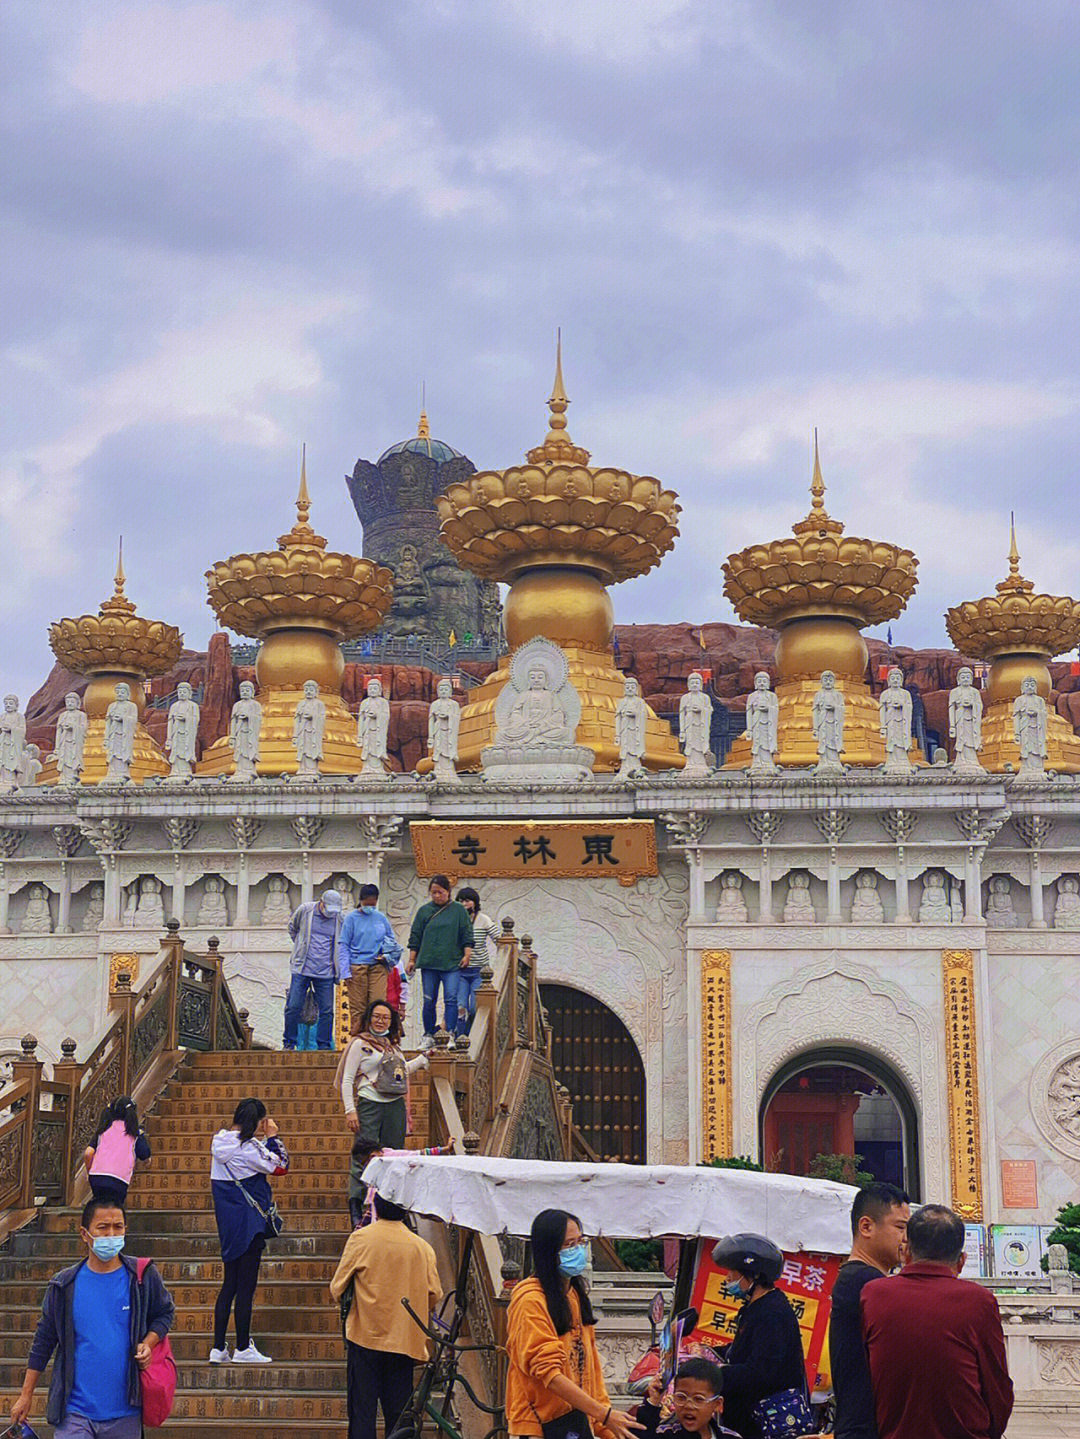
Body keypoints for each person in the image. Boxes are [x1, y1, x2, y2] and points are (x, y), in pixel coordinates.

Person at [10, 1195, 175, 1438]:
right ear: (85, 1234)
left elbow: (164, 1313)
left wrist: (148, 1343)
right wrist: (26, 1395)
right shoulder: (64, 1285)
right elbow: (43, 1341)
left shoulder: (141, 1277)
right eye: (103, 1227)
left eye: (118, 1227)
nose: (111, 1234)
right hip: (75, 1413)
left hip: (126, 1412)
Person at [862, 1204, 1013, 1439]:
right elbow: (997, 1386)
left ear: (906, 1253)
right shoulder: (979, 1301)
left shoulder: (873, 1295)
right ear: (961, 1261)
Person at [506, 1208, 642, 1439]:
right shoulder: (530, 1301)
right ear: (548, 1252)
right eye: (570, 1245)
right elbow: (551, 1376)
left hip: (575, 1423)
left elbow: (589, 1368)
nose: (579, 1250)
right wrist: (604, 1414)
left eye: (581, 1242)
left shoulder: (574, 1295)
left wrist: (603, 1424)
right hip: (539, 1427)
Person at [330, 1191, 442, 1439]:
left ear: (376, 1207)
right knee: (399, 1415)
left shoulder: (361, 1239)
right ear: (406, 1209)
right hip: (403, 1342)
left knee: (362, 1413)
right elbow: (434, 1293)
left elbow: (337, 1288)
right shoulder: (422, 1247)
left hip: (364, 1337)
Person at [209, 1097, 289, 1365]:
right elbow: (280, 1166)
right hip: (250, 1225)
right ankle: (242, 1347)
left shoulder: (219, 1142)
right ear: (255, 1122)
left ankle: (218, 1347)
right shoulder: (248, 1149)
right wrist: (273, 1137)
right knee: (246, 1288)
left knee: (228, 1285)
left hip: (228, 1226)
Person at [829, 1183, 910, 1439]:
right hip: (868, 1427)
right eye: (899, 1227)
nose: (906, 1238)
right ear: (866, 1227)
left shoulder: (860, 1278)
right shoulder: (866, 1283)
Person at [709, 1234, 806, 1439]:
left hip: (764, 1424)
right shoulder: (756, 1308)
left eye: (732, 1273)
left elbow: (761, 1372)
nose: (727, 1279)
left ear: (752, 1275)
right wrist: (708, 1352)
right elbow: (745, 1349)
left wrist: (715, 1374)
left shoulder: (771, 1313)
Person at [337, 1001, 429, 1159]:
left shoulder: (393, 1047)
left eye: (386, 1018)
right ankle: (362, 1184)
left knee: (394, 1155)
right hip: (370, 1103)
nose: (381, 1021)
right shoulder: (359, 1043)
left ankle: (389, 1185)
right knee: (365, 1154)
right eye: (377, 1016)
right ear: (369, 1018)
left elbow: (401, 1071)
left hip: (395, 1105)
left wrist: (423, 1059)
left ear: (391, 1021)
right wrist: (350, 1111)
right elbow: (348, 1078)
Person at [406, 874, 473, 1049]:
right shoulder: (424, 911)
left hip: (452, 963)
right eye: (433, 892)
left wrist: (467, 955)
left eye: (440, 892)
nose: (436, 896)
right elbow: (415, 937)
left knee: (451, 999)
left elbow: (467, 934)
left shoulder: (459, 911)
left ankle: (449, 1032)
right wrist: (412, 959)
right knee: (429, 1000)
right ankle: (428, 1034)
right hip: (429, 963)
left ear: (448, 892)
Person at [347, 1134, 454, 1230]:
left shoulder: (392, 1156)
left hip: (396, 1201)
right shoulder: (373, 1172)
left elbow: (418, 1154)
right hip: (379, 1207)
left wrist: (444, 1149)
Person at [283, 887, 344, 1050]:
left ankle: (323, 1045)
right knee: (293, 1006)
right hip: (302, 968)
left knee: (327, 1010)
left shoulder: (339, 918)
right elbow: (292, 928)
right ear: (321, 902)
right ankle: (289, 1042)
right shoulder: (306, 910)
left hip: (326, 972)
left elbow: (341, 941)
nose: (330, 914)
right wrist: (300, 947)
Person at [339, 883, 403, 1037]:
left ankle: (378, 1039)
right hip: (357, 966)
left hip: (378, 965)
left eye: (373, 904)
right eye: (367, 904)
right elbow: (343, 945)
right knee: (358, 1008)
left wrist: (386, 956)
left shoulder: (380, 918)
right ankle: (358, 1040)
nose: (370, 907)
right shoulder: (351, 919)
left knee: (378, 1004)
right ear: (361, 901)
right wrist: (345, 971)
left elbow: (391, 941)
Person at [638, 1356, 739, 1439]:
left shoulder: (731, 1437)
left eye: (698, 1399)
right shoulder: (666, 1435)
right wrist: (653, 1403)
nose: (688, 1406)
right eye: (681, 1397)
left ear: (717, 1404)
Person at [82, 1096, 152, 1207]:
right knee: (114, 1208)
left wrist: (89, 1172)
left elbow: (88, 1153)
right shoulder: (135, 1133)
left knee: (99, 1206)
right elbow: (144, 1154)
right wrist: (147, 1160)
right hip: (119, 1180)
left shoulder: (104, 1129)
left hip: (96, 1177)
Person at [449, 886, 497, 1044]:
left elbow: (499, 938)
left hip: (479, 971)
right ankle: (459, 1038)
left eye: (467, 901)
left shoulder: (483, 919)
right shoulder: (454, 920)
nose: (464, 904)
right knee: (460, 1006)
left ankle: (471, 1037)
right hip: (460, 970)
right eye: (461, 901)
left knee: (474, 1008)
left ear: (474, 903)